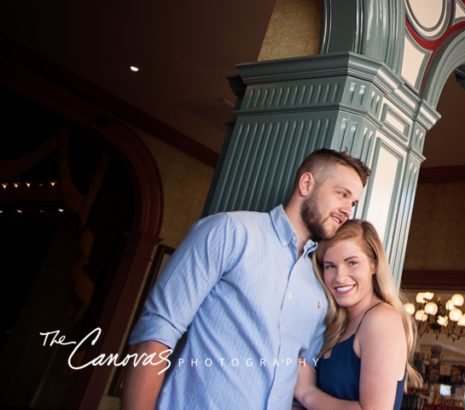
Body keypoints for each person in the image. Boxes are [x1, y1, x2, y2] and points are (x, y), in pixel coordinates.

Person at [122, 148, 369, 410]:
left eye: (353, 203)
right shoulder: (230, 231)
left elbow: (299, 382)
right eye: (342, 194)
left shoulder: (320, 284)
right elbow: (157, 332)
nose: (347, 211)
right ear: (307, 184)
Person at [293, 220, 422, 410]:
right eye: (330, 266)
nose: (340, 277)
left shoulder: (381, 320)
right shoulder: (337, 323)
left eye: (352, 262)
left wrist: (307, 393)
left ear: (373, 265)